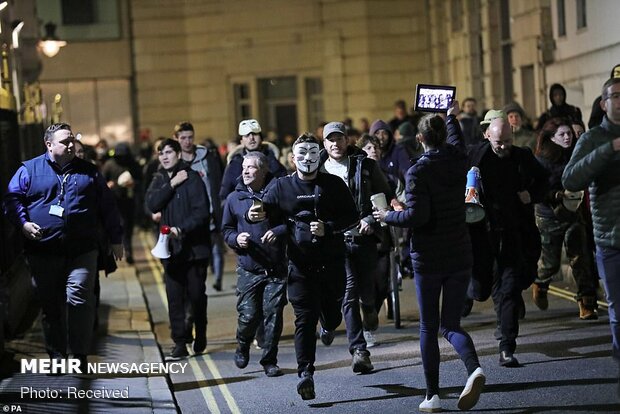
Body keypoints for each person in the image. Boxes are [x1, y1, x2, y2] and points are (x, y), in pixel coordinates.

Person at [373, 101, 485, 412]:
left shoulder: (418, 171)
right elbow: (458, 141)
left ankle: (432, 395)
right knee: (451, 324)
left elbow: (417, 216)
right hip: (460, 252)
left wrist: (387, 216)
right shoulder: (458, 159)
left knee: (428, 327)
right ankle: (474, 368)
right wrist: (451, 116)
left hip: (429, 258)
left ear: (420, 139)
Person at [4, 123, 123, 372]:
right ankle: (57, 353)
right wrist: (24, 225)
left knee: (79, 298)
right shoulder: (29, 170)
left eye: (71, 139)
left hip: (82, 249)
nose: (71, 144)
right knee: (51, 305)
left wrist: (116, 239)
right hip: (43, 251)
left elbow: (108, 206)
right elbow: (12, 199)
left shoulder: (89, 172)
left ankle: (78, 354)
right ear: (49, 145)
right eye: (64, 141)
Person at [261, 133, 358, 400]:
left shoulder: (334, 184)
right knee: (304, 319)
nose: (307, 159)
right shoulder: (281, 187)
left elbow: (352, 216)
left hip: (332, 264)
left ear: (320, 155)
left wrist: (329, 228)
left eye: (312, 153)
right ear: (293, 159)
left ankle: (328, 325)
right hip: (300, 267)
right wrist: (254, 214)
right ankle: (306, 373)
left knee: (332, 314)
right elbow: (265, 210)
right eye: (301, 154)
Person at [468, 115, 548, 367]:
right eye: (498, 142)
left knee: (509, 289)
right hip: (484, 234)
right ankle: (474, 292)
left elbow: (544, 181)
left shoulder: (522, 157)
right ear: (487, 136)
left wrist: (530, 194)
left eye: (507, 141)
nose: (502, 146)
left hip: (514, 232)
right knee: (481, 289)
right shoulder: (476, 156)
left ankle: (507, 346)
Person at [319, 121, 392, 372]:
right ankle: (359, 351)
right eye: (331, 139)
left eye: (340, 139)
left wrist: (372, 219)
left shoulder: (366, 166)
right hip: (336, 242)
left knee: (367, 294)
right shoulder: (318, 170)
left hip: (363, 239)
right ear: (324, 143)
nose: (336, 144)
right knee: (348, 293)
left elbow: (384, 200)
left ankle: (370, 310)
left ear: (347, 140)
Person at [562, 77, 620, 391]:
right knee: (618, 312)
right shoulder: (594, 139)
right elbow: (570, 177)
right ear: (603, 103)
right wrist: (609, 150)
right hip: (611, 240)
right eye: (616, 96)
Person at [222, 151, 288, 378]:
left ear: (263, 170)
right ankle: (242, 344)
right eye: (244, 167)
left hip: (275, 268)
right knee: (249, 316)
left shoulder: (278, 193)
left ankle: (269, 360)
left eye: (251, 167)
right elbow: (227, 229)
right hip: (249, 267)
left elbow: (291, 222)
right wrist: (235, 239)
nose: (246, 171)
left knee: (273, 316)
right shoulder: (234, 199)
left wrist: (277, 231)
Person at [145, 138, 211, 360]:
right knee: (174, 297)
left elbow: (202, 212)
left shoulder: (192, 179)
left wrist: (181, 229)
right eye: (161, 153)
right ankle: (180, 342)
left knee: (196, 296)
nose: (164, 156)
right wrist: (171, 184)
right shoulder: (159, 179)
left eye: (168, 152)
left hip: (194, 250)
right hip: (170, 250)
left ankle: (200, 332)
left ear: (178, 154)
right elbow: (152, 204)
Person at [533, 118, 599, 319]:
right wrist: (554, 195)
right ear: (551, 138)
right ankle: (540, 284)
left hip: (573, 212)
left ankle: (586, 302)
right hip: (548, 216)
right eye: (562, 134)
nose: (567, 137)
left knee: (579, 258)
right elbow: (536, 189)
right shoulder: (541, 160)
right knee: (550, 263)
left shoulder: (575, 155)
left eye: (569, 133)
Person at [174, 122, 226, 292]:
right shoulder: (173, 162)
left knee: (213, 253)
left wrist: (218, 209)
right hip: (185, 220)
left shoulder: (207, 158)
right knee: (188, 263)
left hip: (208, 217)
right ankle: (190, 300)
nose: (187, 142)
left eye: (190, 137)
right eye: (183, 138)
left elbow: (217, 185)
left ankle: (214, 280)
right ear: (176, 139)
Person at [220, 119, 287, 202]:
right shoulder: (234, 164)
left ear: (262, 138)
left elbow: (285, 190)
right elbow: (224, 195)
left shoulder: (273, 161)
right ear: (241, 141)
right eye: (247, 135)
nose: (251, 138)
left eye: (255, 134)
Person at [102, 142, 142, 264]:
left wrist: (134, 183)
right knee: (120, 226)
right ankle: (119, 250)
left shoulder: (133, 164)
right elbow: (101, 182)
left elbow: (141, 180)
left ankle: (128, 251)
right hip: (114, 201)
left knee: (128, 227)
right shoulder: (109, 165)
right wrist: (108, 185)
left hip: (129, 200)